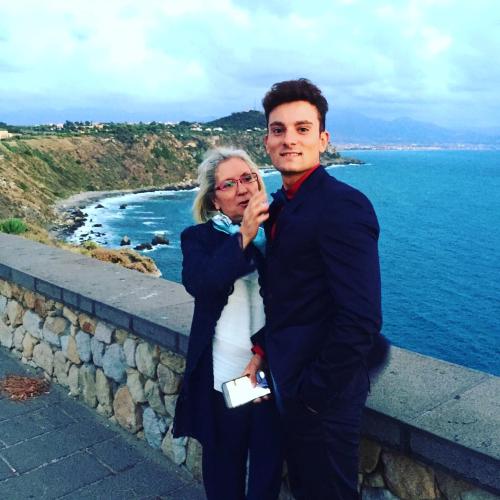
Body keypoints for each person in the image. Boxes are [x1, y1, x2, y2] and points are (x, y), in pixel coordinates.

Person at [252, 78, 389, 499]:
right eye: (279, 130)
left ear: (323, 140)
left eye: (302, 128)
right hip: (290, 379)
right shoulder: (281, 205)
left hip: (323, 398)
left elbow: (361, 318)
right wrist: (264, 349)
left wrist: (313, 396)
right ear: (267, 142)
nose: (289, 139)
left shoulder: (342, 206)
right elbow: (289, 296)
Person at [172, 147, 283, 500]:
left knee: (266, 471)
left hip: (268, 372)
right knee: (223, 470)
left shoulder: (280, 232)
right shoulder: (198, 239)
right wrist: (244, 236)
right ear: (214, 200)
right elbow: (202, 283)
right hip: (225, 376)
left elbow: (295, 301)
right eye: (229, 184)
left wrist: (263, 353)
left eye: (248, 178)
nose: (242, 189)